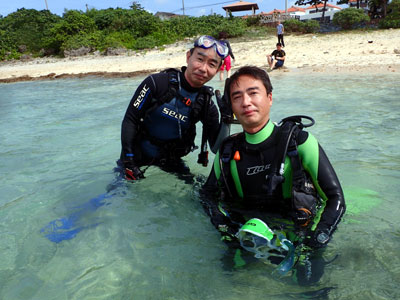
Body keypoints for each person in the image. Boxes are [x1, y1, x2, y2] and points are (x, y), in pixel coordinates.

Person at [200, 66, 346, 285]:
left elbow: (335, 198)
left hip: (298, 231)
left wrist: (318, 238)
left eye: (253, 93)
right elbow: (207, 196)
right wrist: (224, 228)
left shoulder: (300, 142)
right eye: (237, 97)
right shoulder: (227, 152)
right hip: (247, 234)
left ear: (269, 98)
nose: (246, 102)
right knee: (230, 280)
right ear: (231, 106)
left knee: (308, 286)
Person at [119, 36, 233, 181]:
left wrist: (227, 119)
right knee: (116, 194)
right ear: (188, 57)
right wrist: (128, 161)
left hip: (171, 160)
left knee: (199, 195)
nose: (203, 69)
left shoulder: (206, 103)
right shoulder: (156, 83)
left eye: (212, 64)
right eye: (200, 59)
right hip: (136, 155)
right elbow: (131, 119)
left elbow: (217, 149)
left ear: (217, 70)